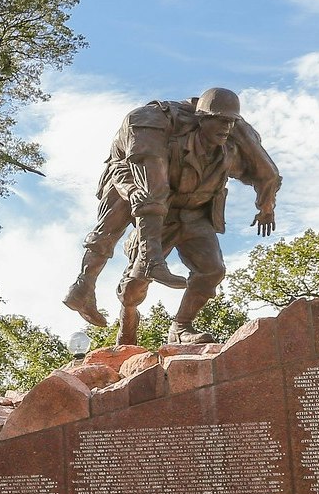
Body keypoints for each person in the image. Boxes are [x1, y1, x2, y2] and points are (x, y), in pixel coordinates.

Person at [63, 87, 281, 345]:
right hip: (157, 208)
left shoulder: (233, 148)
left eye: (231, 121)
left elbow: (269, 174)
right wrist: (151, 257)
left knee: (212, 270)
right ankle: (113, 305)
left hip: (194, 213)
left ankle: (181, 327)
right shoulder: (161, 137)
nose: (226, 127)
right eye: (219, 120)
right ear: (202, 119)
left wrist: (266, 208)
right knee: (134, 282)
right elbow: (152, 194)